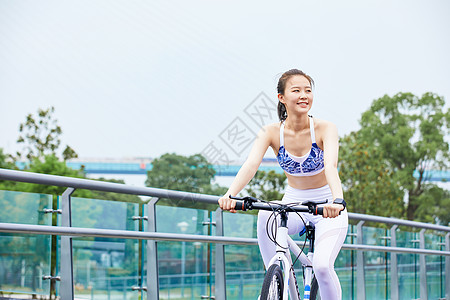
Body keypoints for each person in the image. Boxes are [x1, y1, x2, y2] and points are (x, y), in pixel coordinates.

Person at [218, 69, 349, 300]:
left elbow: (331, 167)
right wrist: (230, 194)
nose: (304, 95)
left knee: (321, 267)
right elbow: (250, 165)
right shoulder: (270, 132)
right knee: (266, 215)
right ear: (281, 97)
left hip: (327, 208)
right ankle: (277, 281)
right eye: (296, 90)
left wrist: (337, 201)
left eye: (308, 90)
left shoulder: (325, 128)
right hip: (293, 203)